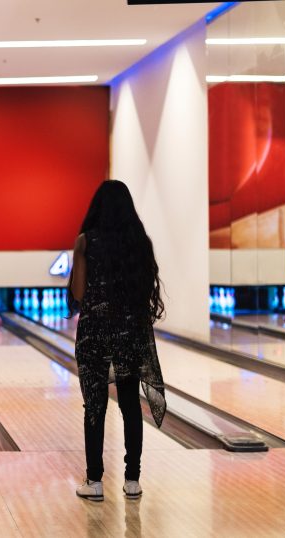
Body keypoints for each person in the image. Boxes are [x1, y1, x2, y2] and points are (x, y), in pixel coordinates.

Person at [69, 180, 166, 502]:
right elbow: (144, 292)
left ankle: (94, 481)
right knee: (129, 405)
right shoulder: (141, 243)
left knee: (94, 406)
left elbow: (79, 295)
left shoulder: (85, 242)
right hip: (130, 332)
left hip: (95, 333)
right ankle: (133, 480)